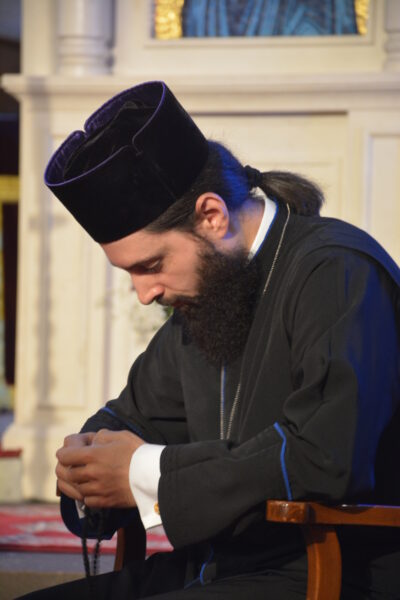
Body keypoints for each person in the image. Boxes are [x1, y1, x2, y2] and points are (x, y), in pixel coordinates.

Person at [21, 81, 400, 599]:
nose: (144, 294)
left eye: (151, 265)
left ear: (212, 217)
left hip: (329, 575)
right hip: (214, 570)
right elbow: (132, 418)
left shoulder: (336, 271)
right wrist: (85, 468)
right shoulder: (209, 297)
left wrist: (144, 472)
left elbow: (324, 457)